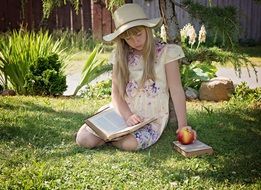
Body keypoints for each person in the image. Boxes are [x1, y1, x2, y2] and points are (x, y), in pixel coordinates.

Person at [75, 3, 196, 151]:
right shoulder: (120, 57)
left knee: (130, 144)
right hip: (122, 112)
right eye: (128, 38)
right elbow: (116, 94)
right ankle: (112, 135)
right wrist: (127, 116)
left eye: (138, 35)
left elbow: (176, 90)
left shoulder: (166, 53)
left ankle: (112, 139)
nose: (135, 41)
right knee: (83, 139)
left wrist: (183, 125)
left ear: (147, 29)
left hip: (150, 118)